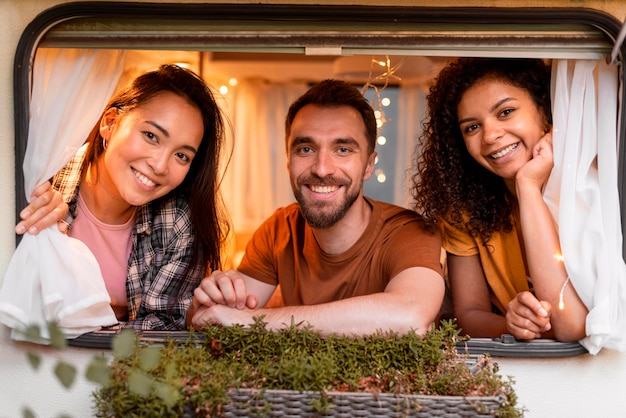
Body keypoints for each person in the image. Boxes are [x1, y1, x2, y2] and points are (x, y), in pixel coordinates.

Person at [189, 79, 444, 336]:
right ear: (288, 162)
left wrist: (251, 321)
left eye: (342, 149)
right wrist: (210, 300)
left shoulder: (408, 232)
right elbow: (215, 318)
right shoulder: (279, 230)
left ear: (368, 165)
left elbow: (411, 317)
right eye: (306, 149)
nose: (322, 168)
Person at [18, 64, 230, 330]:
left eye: (181, 155)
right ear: (110, 123)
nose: (161, 165)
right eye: (151, 136)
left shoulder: (177, 221)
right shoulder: (43, 179)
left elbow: (162, 326)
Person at [413, 57, 588, 342]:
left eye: (505, 112)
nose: (491, 135)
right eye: (472, 127)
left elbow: (568, 324)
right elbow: (469, 313)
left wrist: (528, 185)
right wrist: (511, 325)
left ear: (544, 111)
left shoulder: (588, 188)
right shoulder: (463, 209)